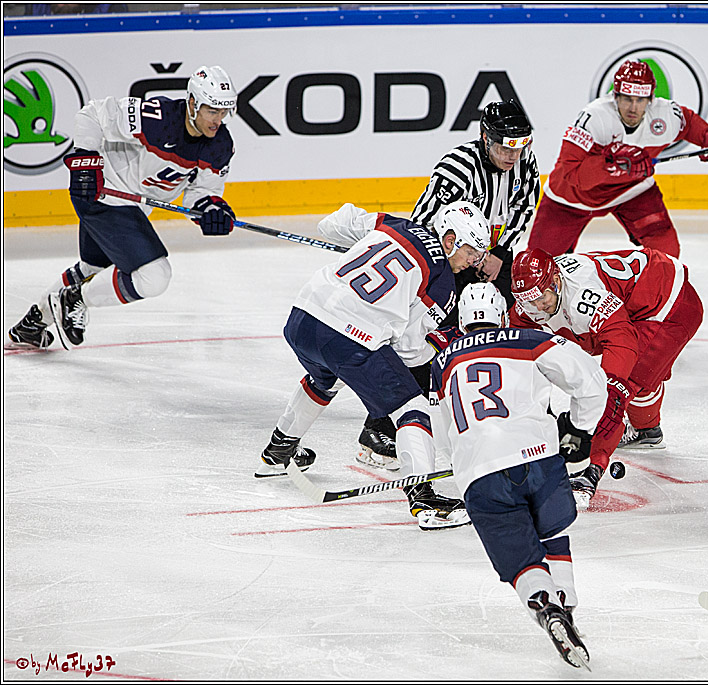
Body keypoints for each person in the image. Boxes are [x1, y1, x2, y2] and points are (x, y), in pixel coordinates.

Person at [257, 200, 492, 531]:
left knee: (324, 379)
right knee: (413, 409)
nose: (474, 261)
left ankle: (277, 453)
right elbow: (409, 350)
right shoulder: (441, 282)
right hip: (347, 334)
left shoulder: (395, 224)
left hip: (303, 316)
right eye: (472, 251)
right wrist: (436, 353)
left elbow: (333, 223)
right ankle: (425, 499)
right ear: (450, 239)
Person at [355, 99, 541, 471]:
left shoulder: (524, 160)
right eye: (504, 145)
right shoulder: (458, 169)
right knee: (424, 341)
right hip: (445, 263)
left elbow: (524, 207)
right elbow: (423, 226)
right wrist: (455, 266)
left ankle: (487, 407)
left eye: (519, 146)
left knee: (499, 325)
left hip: (488, 255)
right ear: (485, 138)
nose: (512, 154)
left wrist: (498, 253)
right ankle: (377, 429)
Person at [430, 282, 606, 668]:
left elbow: (443, 431)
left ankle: (547, 608)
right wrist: (579, 428)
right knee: (553, 531)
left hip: (480, 473)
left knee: (523, 562)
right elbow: (592, 381)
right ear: (503, 313)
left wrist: (465, 458)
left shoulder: (441, 363)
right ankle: (567, 606)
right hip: (538, 457)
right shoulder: (530, 339)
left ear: (461, 320)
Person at [6, 65, 237, 351]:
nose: (218, 119)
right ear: (192, 103)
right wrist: (85, 161)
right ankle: (75, 299)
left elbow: (202, 192)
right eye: (212, 111)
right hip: (103, 193)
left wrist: (212, 210)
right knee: (155, 277)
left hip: (131, 208)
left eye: (223, 111)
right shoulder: (157, 118)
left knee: (94, 267)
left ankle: (33, 323)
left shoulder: (220, 145)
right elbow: (92, 114)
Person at [509, 246, 703, 510]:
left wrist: (593, 460)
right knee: (645, 373)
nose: (536, 308)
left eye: (541, 299)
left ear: (555, 281)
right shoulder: (531, 303)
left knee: (623, 384)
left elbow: (613, 381)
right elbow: (519, 364)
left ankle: (589, 476)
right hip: (632, 302)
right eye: (528, 301)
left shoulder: (582, 295)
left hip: (667, 303)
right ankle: (647, 430)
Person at [526, 59, 708, 260]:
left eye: (640, 100)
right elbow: (570, 172)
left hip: (631, 191)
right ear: (615, 96)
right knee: (538, 264)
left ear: (650, 98)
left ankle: (649, 299)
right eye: (627, 99)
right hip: (570, 199)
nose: (633, 107)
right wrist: (608, 163)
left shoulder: (665, 115)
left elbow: (688, 124)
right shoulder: (594, 118)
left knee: (666, 252)